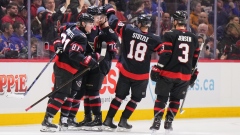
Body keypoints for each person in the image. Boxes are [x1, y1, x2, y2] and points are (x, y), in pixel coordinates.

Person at [101, 4, 162, 131]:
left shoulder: (128, 30)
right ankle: (123, 121)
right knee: (135, 99)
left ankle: (108, 120)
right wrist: (160, 67)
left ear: (139, 23)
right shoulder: (154, 39)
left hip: (126, 70)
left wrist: (110, 11)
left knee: (119, 97)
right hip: (141, 75)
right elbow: (165, 54)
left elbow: (113, 22)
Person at [40, 13, 99, 132]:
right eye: (90, 24)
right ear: (83, 23)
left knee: (64, 93)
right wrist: (90, 61)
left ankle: (59, 120)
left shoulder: (70, 27)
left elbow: (58, 36)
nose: (92, 27)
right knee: (61, 94)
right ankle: (47, 121)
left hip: (61, 65)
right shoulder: (81, 36)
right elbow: (74, 54)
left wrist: (58, 45)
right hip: (66, 68)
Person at [64, 6, 118, 131]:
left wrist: (105, 26)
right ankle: (88, 117)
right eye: (96, 16)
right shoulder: (89, 28)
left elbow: (114, 40)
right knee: (86, 92)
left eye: (100, 16)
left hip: (100, 63)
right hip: (90, 63)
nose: (98, 19)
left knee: (93, 91)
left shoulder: (102, 30)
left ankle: (97, 119)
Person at [149, 11, 200, 132]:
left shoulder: (169, 34)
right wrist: (193, 72)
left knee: (161, 98)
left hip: (168, 73)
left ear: (175, 21)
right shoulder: (193, 37)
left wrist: (158, 67)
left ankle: (157, 122)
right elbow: (195, 58)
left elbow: (166, 54)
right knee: (175, 99)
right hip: (185, 75)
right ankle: (168, 122)